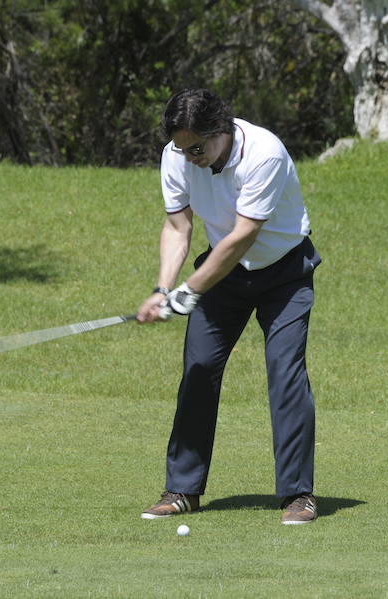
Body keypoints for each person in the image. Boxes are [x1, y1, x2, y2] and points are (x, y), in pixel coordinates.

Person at [136, 89, 322, 525]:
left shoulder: (264, 153)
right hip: (223, 275)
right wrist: (164, 289)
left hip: (285, 273)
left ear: (221, 130)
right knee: (198, 368)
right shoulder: (177, 155)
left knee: (284, 371)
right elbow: (177, 226)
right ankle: (182, 489)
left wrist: (189, 289)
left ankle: (299, 495)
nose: (190, 157)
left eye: (197, 148)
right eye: (183, 149)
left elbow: (242, 237)